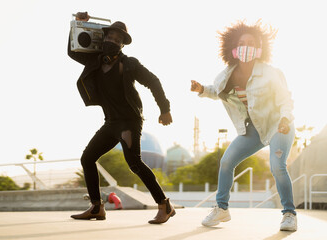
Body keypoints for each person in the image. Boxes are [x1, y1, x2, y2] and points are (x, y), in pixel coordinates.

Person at [68, 12, 175, 224]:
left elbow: (154, 81)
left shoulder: (129, 64)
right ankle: (97, 207)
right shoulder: (95, 61)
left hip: (129, 121)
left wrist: (164, 109)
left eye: (118, 40)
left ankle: (164, 205)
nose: (112, 42)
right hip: (111, 123)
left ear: (122, 44)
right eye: (110, 38)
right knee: (87, 158)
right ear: (104, 38)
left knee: (134, 163)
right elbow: (72, 51)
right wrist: (78, 24)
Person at [190, 20, 297, 231]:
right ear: (234, 49)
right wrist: (201, 89)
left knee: (277, 166)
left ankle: (289, 214)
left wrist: (285, 119)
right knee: (227, 161)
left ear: (259, 49)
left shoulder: (271, 72)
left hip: (278, 124)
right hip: (252, 129)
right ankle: (221, 208)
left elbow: (285, 99)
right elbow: (217, 90)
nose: (246, 46)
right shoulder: (227, 74)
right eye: (242, 42)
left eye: (251, 42)